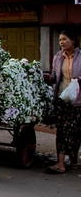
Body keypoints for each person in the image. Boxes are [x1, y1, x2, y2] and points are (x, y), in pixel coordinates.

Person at [46, 30, 81, 174]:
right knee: (61, 131)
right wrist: (47, 77)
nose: (61, 42)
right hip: (61, 99)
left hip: (77, 100)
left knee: (76, 131)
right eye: (60, 40)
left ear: (73, 41)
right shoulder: (58, 57)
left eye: (64, 39)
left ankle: (73, 160)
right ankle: (60, 163)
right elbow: (54, 77)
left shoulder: (80, 57)